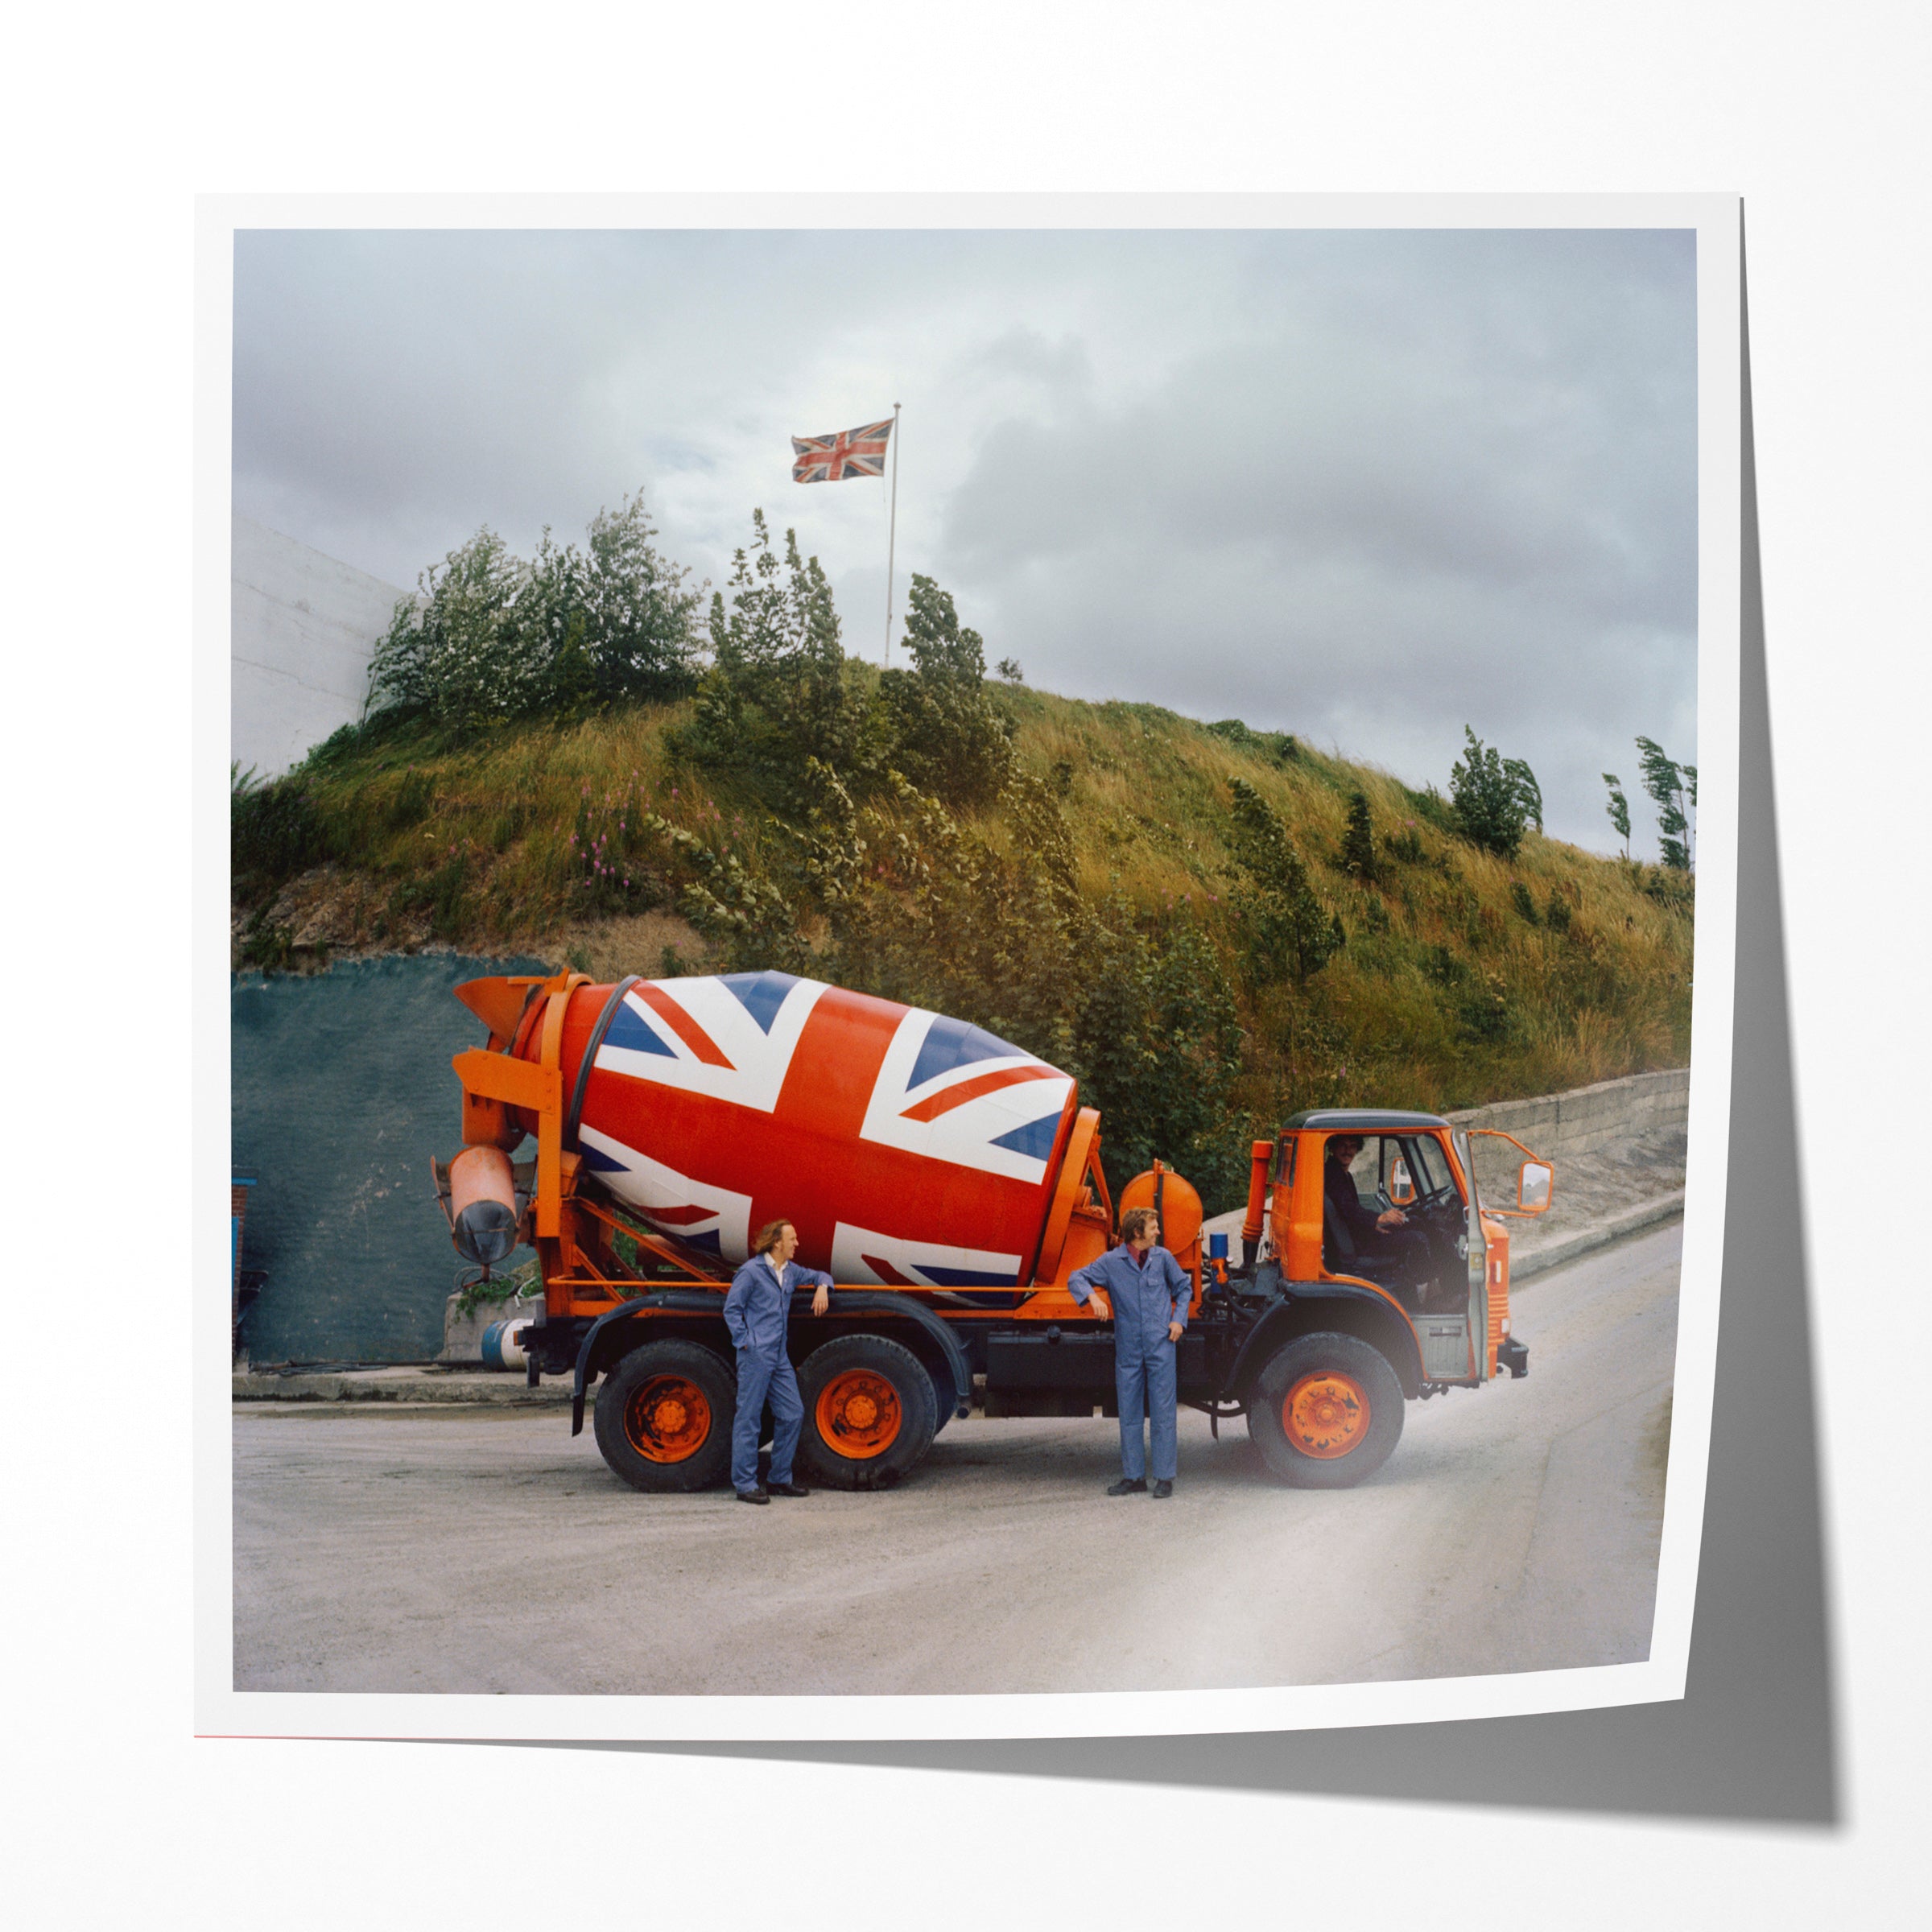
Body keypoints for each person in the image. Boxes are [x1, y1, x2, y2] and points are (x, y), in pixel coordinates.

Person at [1067, 1206, 1192, 1500]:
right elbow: (1077, 1277)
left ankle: (1164, 1477)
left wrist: (1179, 1319)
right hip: (1129, 1348)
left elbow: (1184, 1288)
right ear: (1137, 1233)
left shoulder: (1163, 1259)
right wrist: (1092, 1297)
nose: (1158, 1232)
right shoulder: (1112, 1262)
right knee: (1130, 1411)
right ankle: (1134, 1476)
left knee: (1163, 1411)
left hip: (1161, 1342)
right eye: (1153, 1227)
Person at [723, 1219, 832, 1504]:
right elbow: (731, 1309)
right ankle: (745, 1484)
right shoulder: (751, 1272)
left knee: (792, 1413)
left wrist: (822, 1287)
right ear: (777, 1242)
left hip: (779, 1357)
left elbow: (821, 1275)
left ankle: (779, 1478)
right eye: (792, 1239)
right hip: (756, 1355)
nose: (797, 1244)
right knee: (749, 1418)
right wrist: (745, 1342)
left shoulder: (791, 1271)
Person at [1322, 1133, 1431, 1294]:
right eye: (1343, 1146)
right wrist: (1379, 1218)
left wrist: (1375, 1224)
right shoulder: (1333, 1175)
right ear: (1332, 1148)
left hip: (1354, 1237)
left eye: (1352, 1146)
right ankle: (1425, 1296)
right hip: (1356, 1246)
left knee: (1414, 1221)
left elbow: (1350, 1211)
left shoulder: (1341, 1173)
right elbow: (1347, 1208)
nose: (1348, 1151)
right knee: (1418, 1239)